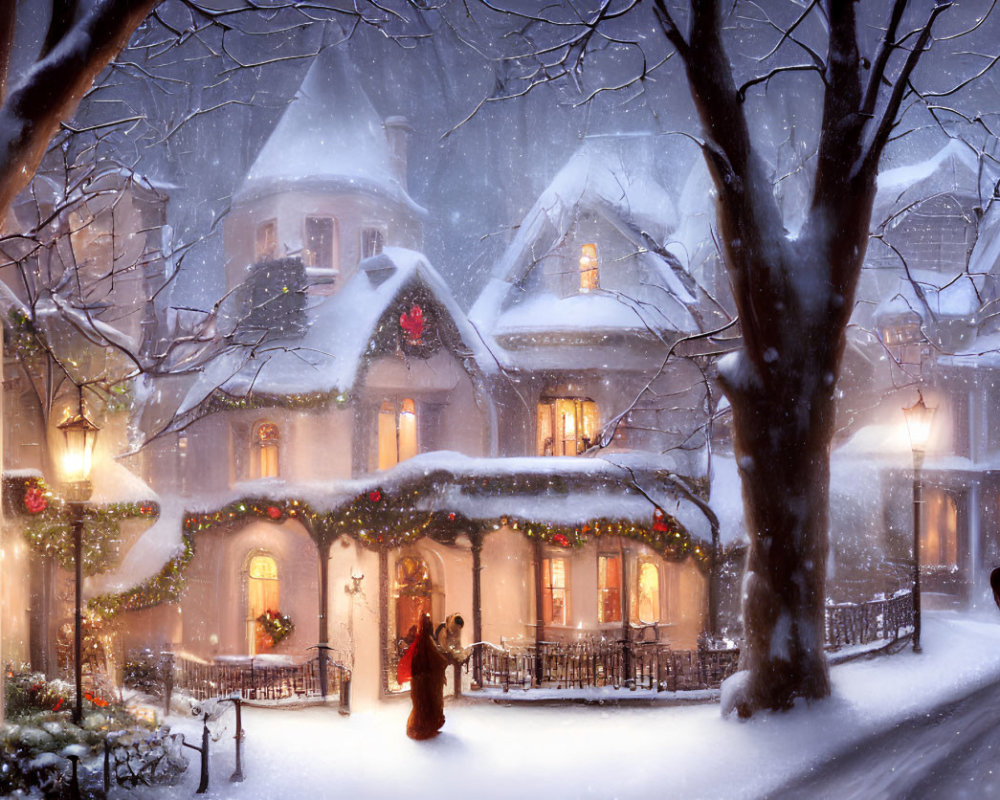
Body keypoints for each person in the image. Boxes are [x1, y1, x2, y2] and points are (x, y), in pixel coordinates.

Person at [397, 613, 448, 739]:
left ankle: (424, 726)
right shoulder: (427, 643)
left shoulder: (422, 642)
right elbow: (438, 662)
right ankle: (428, 725)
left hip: (420, 681)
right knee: (429, 702)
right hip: (426, 681)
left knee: (423, 703)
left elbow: (418, 661)